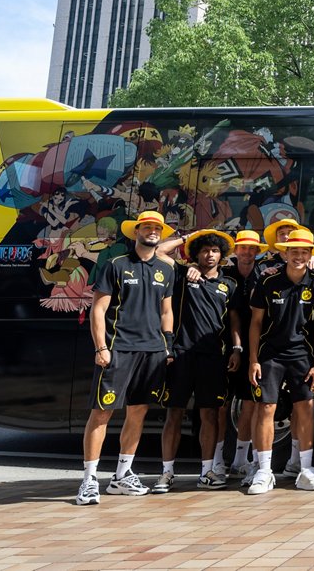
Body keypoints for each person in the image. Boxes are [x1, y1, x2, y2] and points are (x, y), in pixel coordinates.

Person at [75, 211, 176, 505]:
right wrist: (100, 347)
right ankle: (89, 479)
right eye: (147, 227)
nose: (153, 232)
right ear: (137, 232)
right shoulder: (115, 265)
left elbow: (166, 311)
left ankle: (121, 475)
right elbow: (98, 310)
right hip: (118, 349)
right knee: (102, 413)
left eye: (157, 228)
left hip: (152, 351)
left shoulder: (166, 270)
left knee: (138, 411)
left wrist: (167, 346)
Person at [155, 229, 241, 493]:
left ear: (221, 255)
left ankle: (207, 472)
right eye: (204, 250)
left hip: (213, 357)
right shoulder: (184, 275)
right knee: (174, 414)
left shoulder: (229, 285)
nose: (210, 255)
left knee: (210, 415)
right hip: (181, 354)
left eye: (215, 251)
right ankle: (166, 473)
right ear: (197, 254)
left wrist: (237, 348)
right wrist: (187, 238)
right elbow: (158, 251)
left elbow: (235, 320)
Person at [246, 228, 314, 494]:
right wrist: (253, 359)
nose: (299, 256)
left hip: (302, 355)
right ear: (285, 253)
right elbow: (256, 323)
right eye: (294, 251)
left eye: (304, 252)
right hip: (271, 353)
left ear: (310, 255)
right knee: (266, 408)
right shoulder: (268, 281)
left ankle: (305, 469)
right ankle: (264, 471)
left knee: (305, 406)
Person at [223, 230, 266, 480]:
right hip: (226, 346)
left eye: (252, 248)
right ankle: (223, 461)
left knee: (251, 402)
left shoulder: (266, 274)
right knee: (222, 405)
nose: (247, 252)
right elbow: (234, 316)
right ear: (235, 251)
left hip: (257, 346)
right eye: (243, 248)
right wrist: (237, 348)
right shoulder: (225, 275)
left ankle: (243, 459)